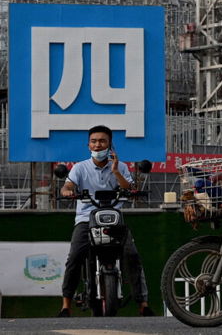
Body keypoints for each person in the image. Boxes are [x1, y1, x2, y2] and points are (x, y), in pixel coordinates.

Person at [57, 125, 154, 317]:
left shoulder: (122, 166)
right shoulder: (80, 167)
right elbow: (67, 185)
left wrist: (116, 171)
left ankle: (143, 304)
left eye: (102, 141)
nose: (97, 145)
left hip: (114, 219)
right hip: (86, 219)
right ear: (88, 145)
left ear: (110, 145)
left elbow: (129, 187)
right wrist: (68, 191)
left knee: (132, 256)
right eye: (94, 141)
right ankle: (66, 305)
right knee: (75, 256)